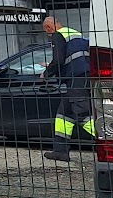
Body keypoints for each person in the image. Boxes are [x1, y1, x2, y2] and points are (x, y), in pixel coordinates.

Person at [39, 16, 91, 161]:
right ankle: (60, 151)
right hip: (85, 76)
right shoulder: (75, 33)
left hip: (75, 78)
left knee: (81, 113)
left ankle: (109, 140)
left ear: (50, 28)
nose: (48, 36)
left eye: (46, 32)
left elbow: (59, 59)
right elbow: (73, 56)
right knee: (64, 114)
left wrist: (47, 73)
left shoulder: (58, 35)